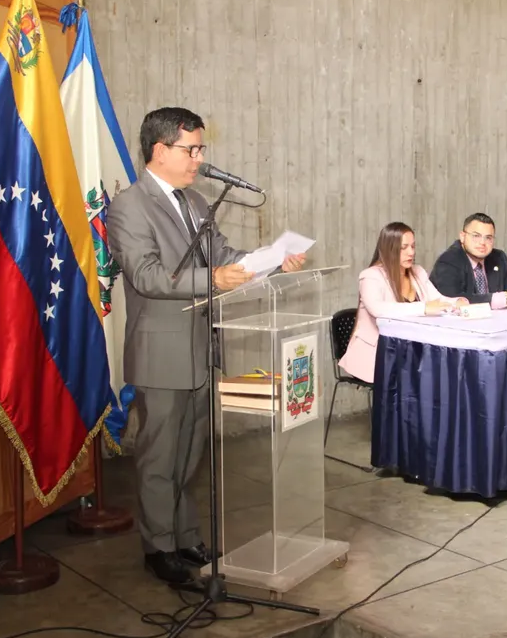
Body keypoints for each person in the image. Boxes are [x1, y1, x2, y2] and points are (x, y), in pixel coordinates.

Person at [105, 107, 306, 584]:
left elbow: (227, 257)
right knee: (160, 456)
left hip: (200, 347)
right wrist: (212, 278)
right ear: (160, 150)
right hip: (160, 352)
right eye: (190, 150)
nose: (199, 159)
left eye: (200, 150)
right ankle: (159, 547)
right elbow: (147, 275)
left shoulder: (195, 202)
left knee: (190, 452)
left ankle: (186, 536)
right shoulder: (129, 206)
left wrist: (273, 261)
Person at [339, 222, 467, 383]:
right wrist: (423, 308)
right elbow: (378, 309)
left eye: (413, 246)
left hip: (410, 351)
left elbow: (437, 300)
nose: (411, 252)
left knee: (448, 369)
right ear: (389, 249)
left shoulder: (418, 272)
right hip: (378, 355)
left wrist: (457, 302)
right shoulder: (371, 276)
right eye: (404, 247)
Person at [429, 212, 507, 308]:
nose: (482, 243)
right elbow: (452, 300)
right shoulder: (449, 260)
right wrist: (504, 299)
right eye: (476, 236)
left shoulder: (498, 258)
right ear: (462, 237)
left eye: (488, 238)